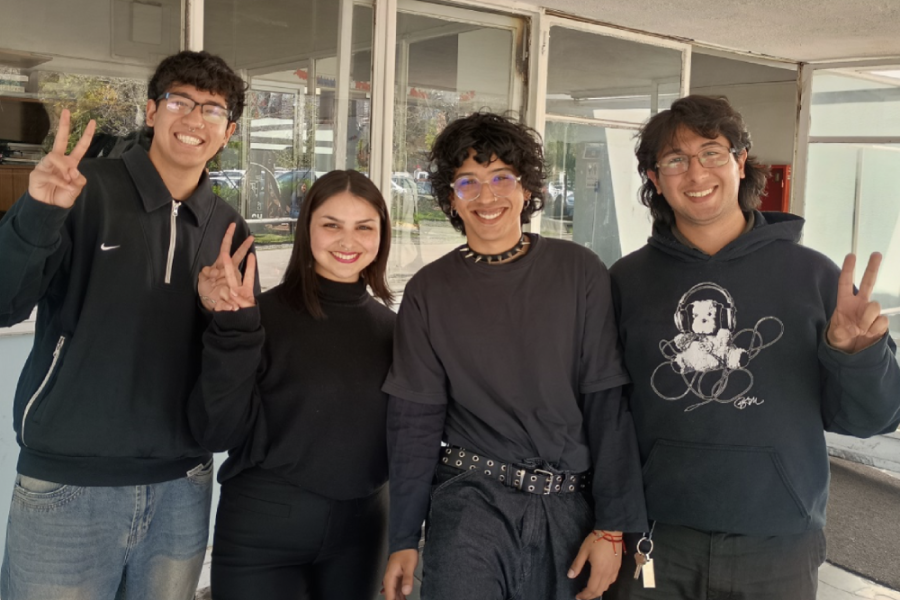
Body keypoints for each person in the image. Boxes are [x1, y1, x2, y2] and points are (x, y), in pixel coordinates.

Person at [604, 94, 900, 600]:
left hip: (778, 542)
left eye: (712, 153)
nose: (696, 174)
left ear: (741, 162)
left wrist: (858, 355)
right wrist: (609, 521)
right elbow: (606, 413)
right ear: (655, 179)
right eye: (675, 160)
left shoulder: (814, 277)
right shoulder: (625, 281)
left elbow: (871, 420)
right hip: (656, 536)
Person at [0, 50, 253, 599]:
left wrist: (225, 317)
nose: (194, 119)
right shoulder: (82, 189)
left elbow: (228, 359)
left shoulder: (228, 228)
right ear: (151, 111)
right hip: (68, 483)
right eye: (180, 101)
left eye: (212, 110)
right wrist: (38, 213)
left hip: (180, 488)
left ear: (228, 130)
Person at [381, 112, 647, 600]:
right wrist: (402, 537)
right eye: (468, 182)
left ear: (527, 190)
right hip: (470, 501)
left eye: (502, 177)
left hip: (569, 506)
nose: (487, 197)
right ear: (450, 198)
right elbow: (413, 422)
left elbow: (608, 407)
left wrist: (613, 527)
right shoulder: (429, 291)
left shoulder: (580, 272)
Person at [189, 170, 395, 599]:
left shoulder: (397, 331)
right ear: (307, 230)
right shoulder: (256, 315)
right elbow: (215, 431)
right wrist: (233, 331)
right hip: (262, 530)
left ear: (382, 235)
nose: (348, 241)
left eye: (364, 227)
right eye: (331, 225)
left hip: (363, 530)